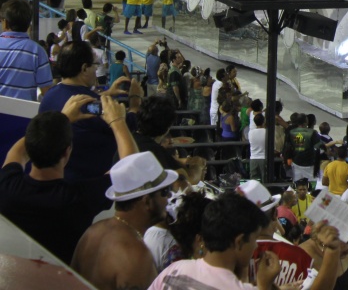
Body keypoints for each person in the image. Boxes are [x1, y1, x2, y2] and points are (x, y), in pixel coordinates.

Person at [0, 94, 138, 263]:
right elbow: (130, 167)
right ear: (67, 151)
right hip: (60, 276)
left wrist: (62, 119)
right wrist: (118, 122)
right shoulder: (78, 198)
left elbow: (17, 152)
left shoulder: (7, 186)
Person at [71, 151, 177, 290]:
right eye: (165, 191)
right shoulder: (136, 253)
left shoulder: (92, 232)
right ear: (147, 201)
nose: (169, 197)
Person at [40, 40, 143, 181]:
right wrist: (135, 102)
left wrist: (105, 94)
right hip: (89, 182)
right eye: (95, 65)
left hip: (63, 176)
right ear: (84, 68)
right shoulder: (91, 105)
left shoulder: (50, 95)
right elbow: (125, 126)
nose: (96, 70)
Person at [148, 191, 283, 290]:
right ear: (239, 241)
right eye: (254, 239)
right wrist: (264, 286)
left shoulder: (174, 270)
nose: (255, 246)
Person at [0, 0, 52, 101]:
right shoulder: (37, 51)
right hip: (24, 110)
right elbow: (46, 91)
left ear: (5, 23)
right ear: (29, 24)